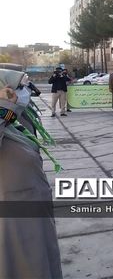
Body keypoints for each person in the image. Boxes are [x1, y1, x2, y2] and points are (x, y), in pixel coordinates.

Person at [0, 86, 63, 278]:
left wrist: (12, 107)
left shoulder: (10, 124)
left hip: (31, 208)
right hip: (12, 219)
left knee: (41, 262)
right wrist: (5, 108)